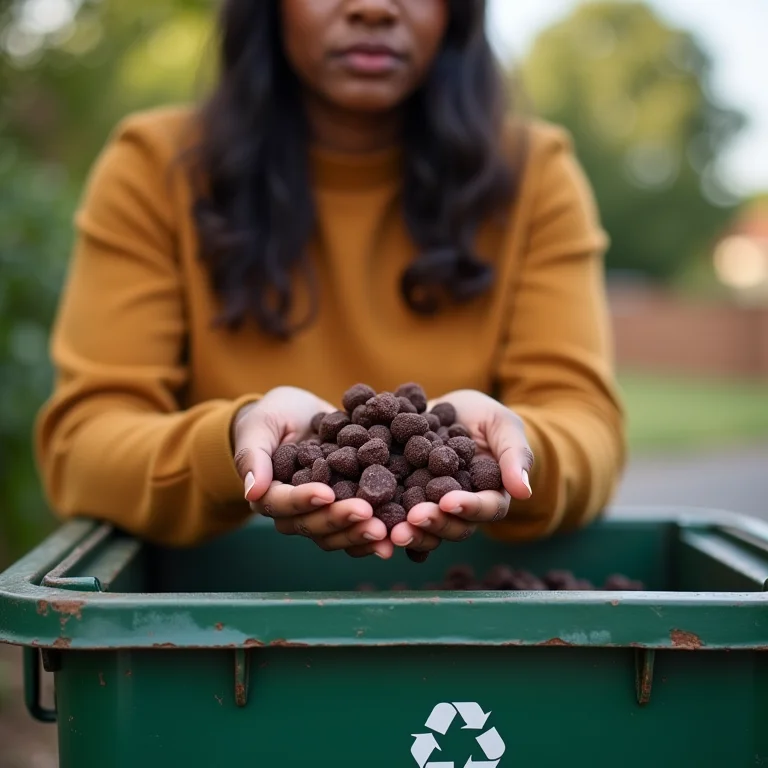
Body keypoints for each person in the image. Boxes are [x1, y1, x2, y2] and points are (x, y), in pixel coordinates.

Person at [34, 0, 626, 561]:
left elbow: (586, 426)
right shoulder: (154, 166)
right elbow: (82, 448)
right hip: (221, 620)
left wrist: (515, 453)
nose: (373, 8)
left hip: (469, 615)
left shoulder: (534, 175)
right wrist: (231, 442)